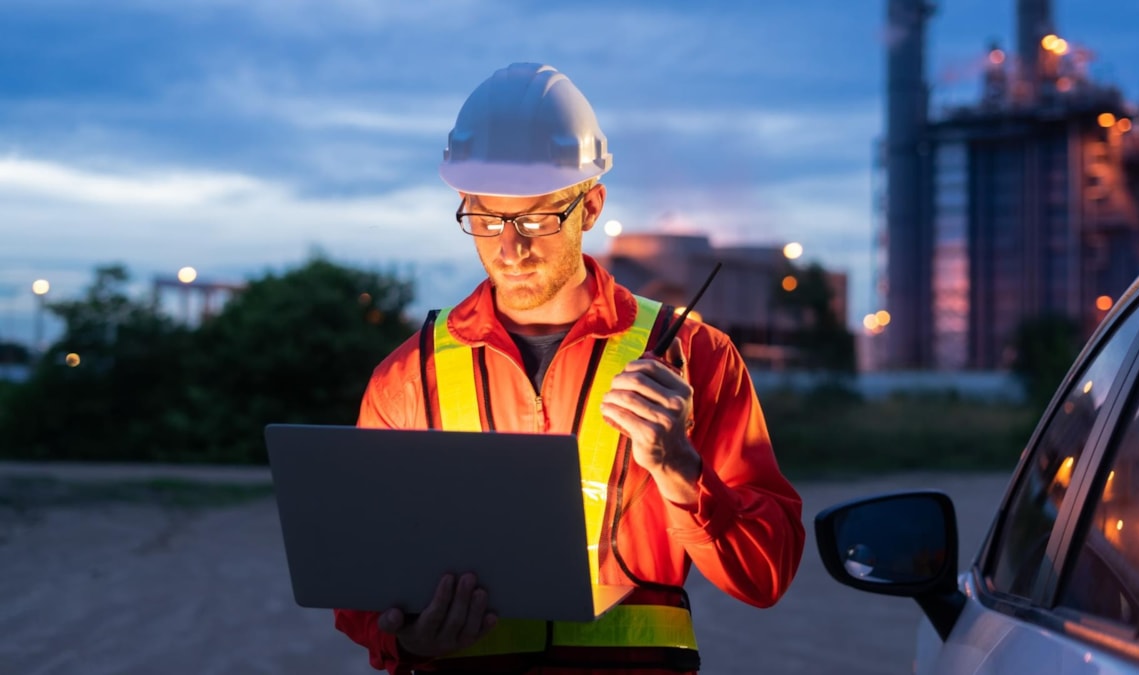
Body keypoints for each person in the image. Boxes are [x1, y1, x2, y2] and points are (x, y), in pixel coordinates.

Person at [333, 62, 805, 674]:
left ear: (591, 207)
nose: (510, 249)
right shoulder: (407, 377)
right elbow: (359, 584)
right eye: (486, 219)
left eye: (536, 219)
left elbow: (765, 576)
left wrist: (680, 469)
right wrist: (411, 641)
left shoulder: (695, 357)